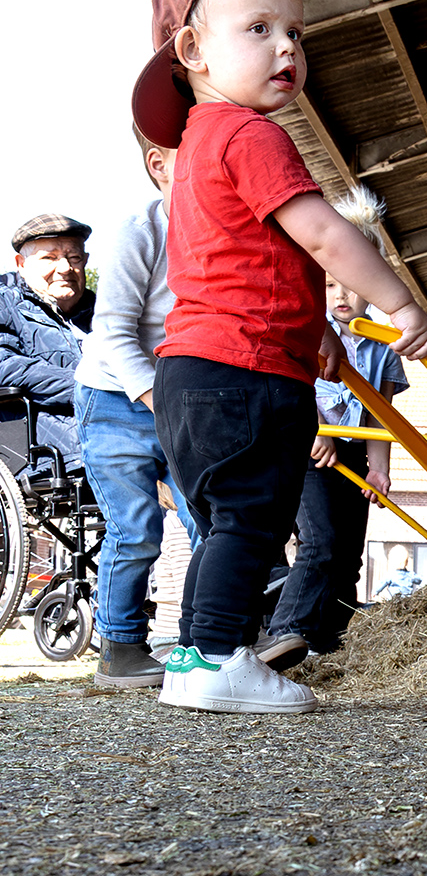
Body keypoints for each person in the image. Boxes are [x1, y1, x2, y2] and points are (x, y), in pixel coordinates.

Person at [131, 0, 427, 714]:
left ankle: (193, 658)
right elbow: (323, 235)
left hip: (191, 373)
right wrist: (403, 301)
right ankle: (216, 658)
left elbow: (249, 266)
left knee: (225, 524)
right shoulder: (252, 135)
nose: (286, 48)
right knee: (254, 520)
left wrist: (322, 336)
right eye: (259, 29)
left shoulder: (198, 149)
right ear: (194, 50)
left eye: (296, 33)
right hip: (243, 375)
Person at [74, 127, 203, 689]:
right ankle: (120, 648)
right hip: (114, 398)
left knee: (212, 519)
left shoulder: (223, 232)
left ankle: (214, 637)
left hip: (181, 396)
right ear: (160, 166)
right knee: (136, 528)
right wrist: (157, 400)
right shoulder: (141, 229)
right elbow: (111, 332)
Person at [262, 187, 408, 662]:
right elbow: (294, 381)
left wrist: (379, 469)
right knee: (320, 542)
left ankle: (332, 641)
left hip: (353, 447)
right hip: (305, 444)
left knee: (348, 554)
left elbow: (381, 412)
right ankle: (286, 632)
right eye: (329, 285)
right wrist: (317, 430)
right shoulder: (307, 327)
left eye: (352, 285)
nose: (342, 296)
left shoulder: (383, 344)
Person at [0, 215, 95, 472]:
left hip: (120, 422)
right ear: (21, 264)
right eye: (49, 258)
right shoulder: (4, 303)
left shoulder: (107, 311)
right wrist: (90, 387)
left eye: (74, 258)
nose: (65, 267)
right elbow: (6, 367)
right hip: (47, 439)